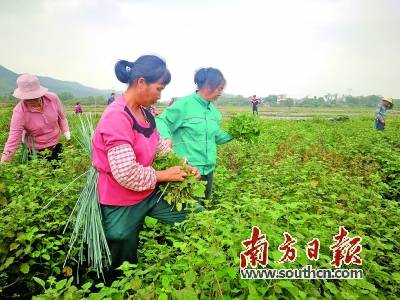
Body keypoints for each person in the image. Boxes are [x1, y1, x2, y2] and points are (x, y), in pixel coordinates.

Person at [92, 55, 203, 276]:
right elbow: (126, 173)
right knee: (123, 258)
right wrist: (165, 175)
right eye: (159, 89)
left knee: (197, 215)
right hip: (120, 199)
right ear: (141, 82)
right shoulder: (116, 117)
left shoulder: (145, 112)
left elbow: (159, 146)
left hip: (149, 192)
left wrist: (182, 166)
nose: (159, 96)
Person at [156, 67, 234, 200]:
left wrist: (236, 133)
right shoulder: (184, 105)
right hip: (188, 170)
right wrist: (166, 138)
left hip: (208, 170)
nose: (220, 93)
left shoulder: (213, 112)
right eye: (219, 89)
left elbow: (217, 137)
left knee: (203, 212)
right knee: (188, 214)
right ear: (208, 86)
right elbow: (160, 121)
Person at [1, 74, 71, 162]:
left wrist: (66, 130)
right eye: (27, 98)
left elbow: (62, 117)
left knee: (58, 171)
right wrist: (4, 163)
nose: (31, 101)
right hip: (34, 149)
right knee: (39, 173)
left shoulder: (52, 98)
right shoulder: (19, 112)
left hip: (55, 144)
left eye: (34, 97)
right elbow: (13, 139)